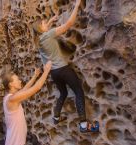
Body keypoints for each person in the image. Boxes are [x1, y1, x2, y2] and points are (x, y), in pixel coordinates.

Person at [33, 0, 99, 133]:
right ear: (41, 28)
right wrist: (76, 6)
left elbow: (45, 31)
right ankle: (83, 126)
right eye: (44, 23)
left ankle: (56, 117)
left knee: (63, 93)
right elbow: (68, 24)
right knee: (78, 91)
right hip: (63, 69)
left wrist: (51, 20)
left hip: (54, 73)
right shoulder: (48, 35)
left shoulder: (38, 41)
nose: (47, 23)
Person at [2, 61, 52, 145]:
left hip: (16, 142)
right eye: (17, 80)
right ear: (11, 84)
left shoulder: (10, 97)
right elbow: (36, 88)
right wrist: (46, 71)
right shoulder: (12, 99)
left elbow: (25, 89)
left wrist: (35, 76)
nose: (20, 81)